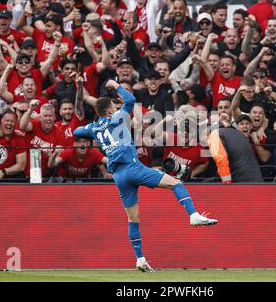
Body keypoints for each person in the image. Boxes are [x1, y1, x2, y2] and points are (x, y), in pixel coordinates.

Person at [73, 79, 217, 273]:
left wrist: (93, 126)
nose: (118, 109)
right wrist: (116, 85)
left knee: (133, 219)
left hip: (118, 176)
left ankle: (140, 259)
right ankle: (193, 215)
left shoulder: (93, 128)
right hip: (133, 168)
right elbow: (130, 100)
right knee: (175, 182)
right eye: (114, 107)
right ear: (109, 111)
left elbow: (76, 131)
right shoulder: (118, 118)